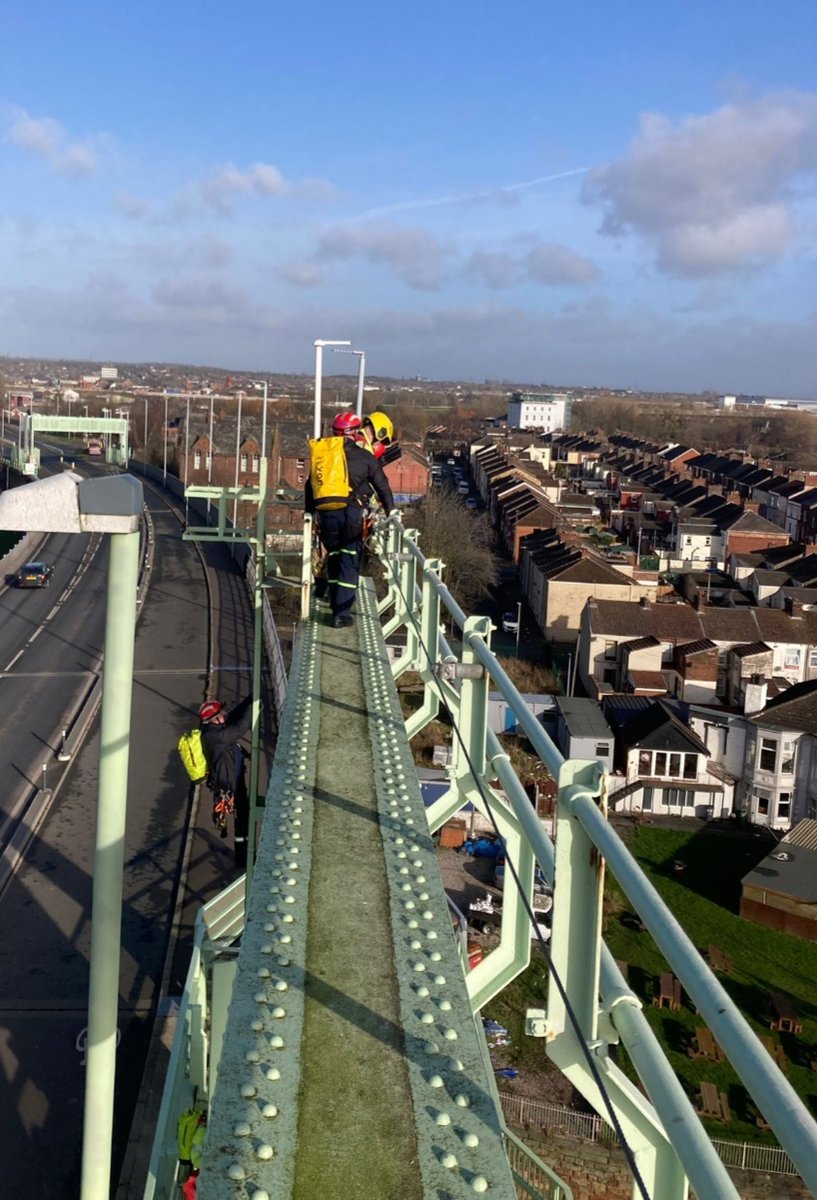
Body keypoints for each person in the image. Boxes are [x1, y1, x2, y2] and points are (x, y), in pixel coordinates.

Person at [305, 411, 394, 628]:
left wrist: (309, 513)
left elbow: (310, 486)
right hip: (352, 514)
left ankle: (332, 598)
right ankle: (341, 612)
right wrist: (392, 512)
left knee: (334, 556)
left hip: (327, 515)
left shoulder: (324, 456)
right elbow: (382, 485)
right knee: (349, 558)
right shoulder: (365, 457)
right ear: (355, 433)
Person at [199, 695, 252, 869]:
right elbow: (240, 727)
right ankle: (242, 859)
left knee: (244, 817)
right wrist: (255, 705)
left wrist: (250, 699)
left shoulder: (214, 730)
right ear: (214, 719)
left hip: (233, 780)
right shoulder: (217, 736)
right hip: (229, 786)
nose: (225, 714)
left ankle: (243, 855)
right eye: (221, 713)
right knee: (243, 818)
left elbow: (235, 715)